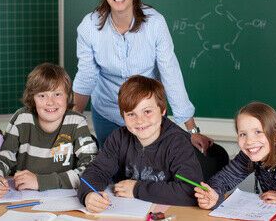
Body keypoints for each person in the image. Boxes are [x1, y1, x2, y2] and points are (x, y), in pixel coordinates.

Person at [72, 0, 213, 151]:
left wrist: (191, 129)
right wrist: (72, 119)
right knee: (112, 173)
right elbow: (86, 75)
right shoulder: (89, 25)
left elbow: (170, 74)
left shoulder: (155, 23)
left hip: (146, 116)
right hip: (107, 112)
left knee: (147, 173)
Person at [77, 75, 203, 212]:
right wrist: (88, 194)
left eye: (147, 111)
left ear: (162, 110)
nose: (140, 121)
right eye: (131, 114)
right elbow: (96, 172)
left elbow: (190, 190)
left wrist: (137, 189)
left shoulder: (178, 143)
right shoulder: (118, 138)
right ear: (123, 116)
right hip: (127, 212)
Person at [0, 63, 98, 198]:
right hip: (23, 199)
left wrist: (40, 181)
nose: (50, 102)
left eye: (57, 94)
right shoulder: (22, 119)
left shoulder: (76, 122)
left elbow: (92, 169)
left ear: (68, 96)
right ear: (33, 98)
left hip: (63, 199)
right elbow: (2, 157)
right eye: (42, 95)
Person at [194, 102, 276, 214]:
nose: (249, 141)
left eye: (258, 132)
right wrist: (214, 196)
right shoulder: (250, 155)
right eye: (242, 134)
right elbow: (221, 180)